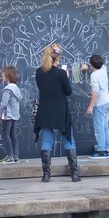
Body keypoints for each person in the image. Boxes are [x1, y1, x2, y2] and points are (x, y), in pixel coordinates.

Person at [34, 43, 80, 183]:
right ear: (58, 58)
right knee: (68, 139)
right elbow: (68, 92)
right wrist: (66, 77)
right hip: (60, 110)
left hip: (45, 110)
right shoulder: (61, 73)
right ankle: (74, 174)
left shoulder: (39, 72)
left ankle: (46, 175)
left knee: (47, 140)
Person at [84, 54, 109, 159]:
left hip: (100, 104)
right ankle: (106, 150)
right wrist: (89, 66)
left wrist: (91, 106)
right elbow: (99, 65)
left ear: (91, 64)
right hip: (108, 102)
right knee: (105, 127)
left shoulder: (94, 76)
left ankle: (100, 151)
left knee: (99, 128)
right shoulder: (103, 70)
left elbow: (95, 92)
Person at [0, 66, 22, 164]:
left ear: (8, 76)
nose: (2, 76)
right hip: (15, 115)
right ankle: (16, 156)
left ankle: (10, 157)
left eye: (3, 74)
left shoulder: (7, 89)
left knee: (6, 135)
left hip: (7, 115)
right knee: (13, 134)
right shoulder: (16, 88)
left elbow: (3, 103)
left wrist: (0, 113)